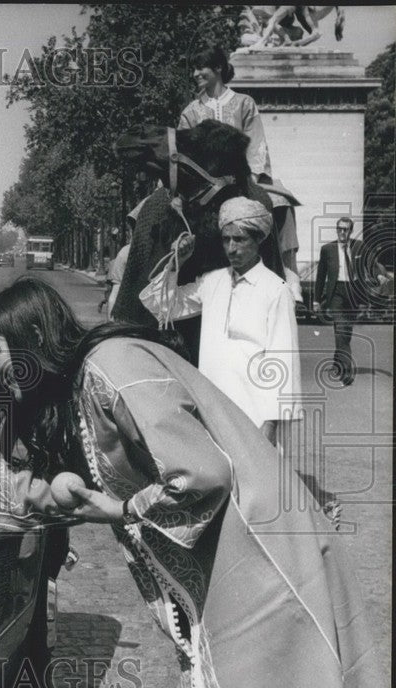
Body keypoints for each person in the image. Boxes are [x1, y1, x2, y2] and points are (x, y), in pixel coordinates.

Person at [0, 276, 387, 688]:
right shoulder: (78, 390)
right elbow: (68, 495)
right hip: (228, 563)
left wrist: (123, 509)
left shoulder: (113, 365)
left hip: (262, 556)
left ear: (33, 341)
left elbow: (201, 474)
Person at [138, 196, 301, 447]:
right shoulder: (212, 282)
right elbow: (165, 307)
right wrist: (176, 265)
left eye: (240, 239)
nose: (232, 248)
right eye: (226, 239)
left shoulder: (276, 290)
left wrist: (270, 424)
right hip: (213, 408)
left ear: (258, 240)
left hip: (254, 413)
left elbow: (284, 361)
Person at [179, 46, 271, 182]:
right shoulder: (190, 112)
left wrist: (252, 178)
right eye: (193, 69)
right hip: (201, 187)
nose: (195, 74)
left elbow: (257, 145)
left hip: (242, 181)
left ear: (218, 67)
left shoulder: (244, 103)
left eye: (200, 68)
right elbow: (182, 153)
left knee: (278, 202)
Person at [314, 216, 387, 386]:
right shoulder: (327, 249)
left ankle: (337, 362)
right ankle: (346, 372)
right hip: (336, 293)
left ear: (351, 231)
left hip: (353, 292)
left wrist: (379, 274)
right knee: (341, 329)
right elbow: (320, 276)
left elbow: (370, 263)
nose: (342, 232)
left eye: (345, 229)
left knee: (345, 331)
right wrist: (317, 300)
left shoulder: (358, 246)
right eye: (339, 228)